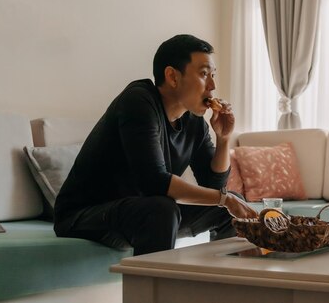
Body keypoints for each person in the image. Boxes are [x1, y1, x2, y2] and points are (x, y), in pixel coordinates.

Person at [54, 34, 257, 255]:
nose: (212, 86)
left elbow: (214, 187)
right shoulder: (138, 101)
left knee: (231, 207)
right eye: (204, 74)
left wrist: (224, 139)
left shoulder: (194, 120)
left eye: (213, 75)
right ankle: (153, 289)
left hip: (142, 212)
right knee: (162, 208)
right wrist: (223, 199)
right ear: (172, 76)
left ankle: (221, 284)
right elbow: (155, 182)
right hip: (84, 215)